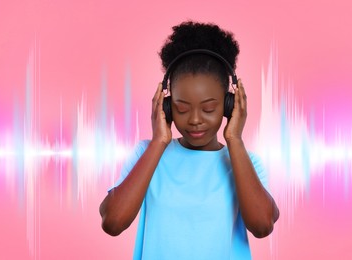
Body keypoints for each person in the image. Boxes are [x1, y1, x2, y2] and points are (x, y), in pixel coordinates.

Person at [99, 21, 279, 259]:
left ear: (229, 105)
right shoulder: (146, 154)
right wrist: (158, 143)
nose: (195, 120)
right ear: (166, 107)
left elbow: (262, 226)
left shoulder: (247, 163)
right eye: (182, 109)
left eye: (209, 108)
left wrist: (235, 139)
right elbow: (113, 222)